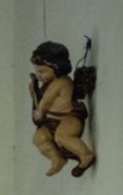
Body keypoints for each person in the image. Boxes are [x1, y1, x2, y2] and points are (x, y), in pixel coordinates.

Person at [29, 41, 96, 177]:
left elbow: (45, 102)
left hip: (69, 118)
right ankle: (57, 158)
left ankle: (85, 155)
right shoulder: (47, 84)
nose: (39, 76)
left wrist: (40, 111)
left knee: (63, 136)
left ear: (56, 67)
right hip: (53, 121)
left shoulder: (62, 82)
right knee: (39, 138)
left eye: (42, 71)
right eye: (37, 72)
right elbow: (40, 100)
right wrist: (33, 92)